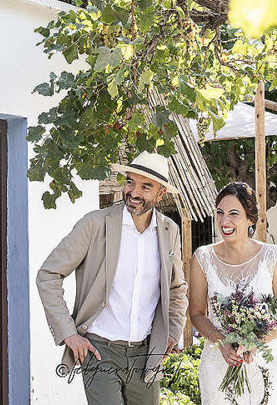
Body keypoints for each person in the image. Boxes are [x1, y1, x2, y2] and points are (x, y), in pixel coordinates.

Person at [36, 151, 188, 405]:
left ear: (161, 194)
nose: (134, 192)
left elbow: (176, 287)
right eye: (130, 182)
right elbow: (48, 274)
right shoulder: (95, 224)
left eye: (145, 186)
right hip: (100, 351)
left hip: (146, 352)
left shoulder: (169, 230)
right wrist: (69, 333)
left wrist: (173, 331)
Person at [189, 182, 277, 405]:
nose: (224, 221)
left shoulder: (271, 256)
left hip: (265, 366)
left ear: (250, 219)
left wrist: (256, 341)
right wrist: (222, 343)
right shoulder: (202, 258)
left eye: (233, 214)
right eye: (220, 213)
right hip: (219, 363)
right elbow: (197, 314)